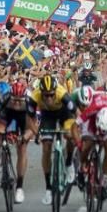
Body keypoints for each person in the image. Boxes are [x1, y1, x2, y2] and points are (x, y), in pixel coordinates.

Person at [30, 74, 79, 205]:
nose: (49, 98)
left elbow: (76, 113)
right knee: (46, 147)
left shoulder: (62, 93)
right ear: (41, 93)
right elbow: (29, 118)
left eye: (52, 95)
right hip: (47, 116)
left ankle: (69, 163)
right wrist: (36, 133)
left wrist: (75, 130)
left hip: (64, 113)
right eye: (46, 95)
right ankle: (48, 188)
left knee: (69, 136)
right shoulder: (35, 96)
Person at [0, 78, 37, 204]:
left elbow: (33, 127)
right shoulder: (5, 98)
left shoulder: (29, 101)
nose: (16, 103)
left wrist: (26, 137)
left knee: (22, 148)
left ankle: (19, 187)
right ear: (10, 96)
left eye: (19, 100)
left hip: (24, 117)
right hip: (7, 113)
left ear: (24, 98)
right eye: (14, 99)